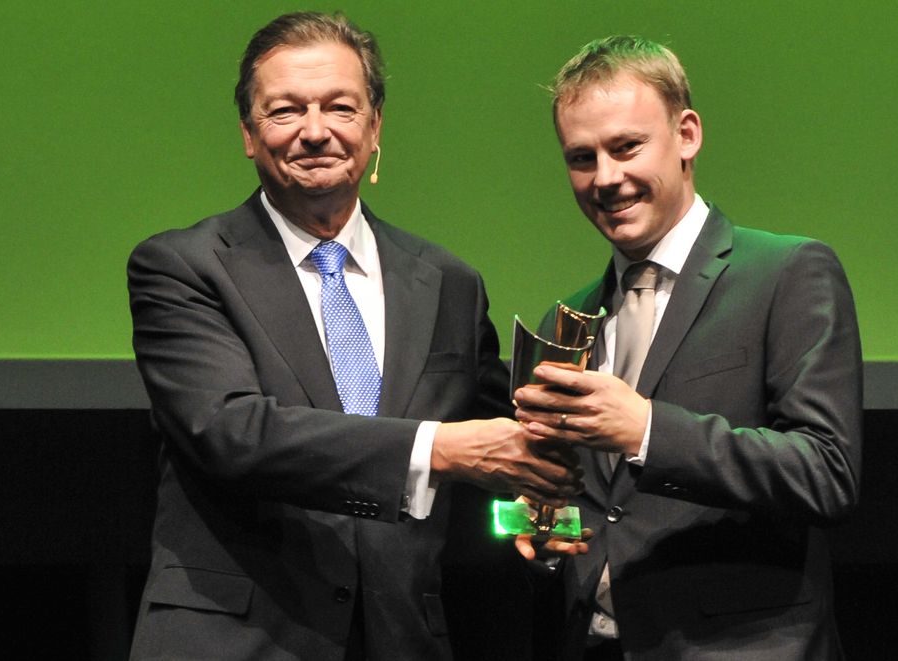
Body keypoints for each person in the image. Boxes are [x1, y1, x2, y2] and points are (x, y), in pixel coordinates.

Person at [127, 12, 580, 661]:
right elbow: (231, 432)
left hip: (403, 638)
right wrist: (440, 447)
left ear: (374, 130)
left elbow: (492, 453)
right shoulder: (183, 266)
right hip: (237, 638)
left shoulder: (450, 283)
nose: (316, 131)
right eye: (285, 111)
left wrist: (541, 501)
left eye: (340, 107)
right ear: (249, 135)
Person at [514, 36, 863, 660]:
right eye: (581, 157)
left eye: (626, 148)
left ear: (687, 135)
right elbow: (593, 504)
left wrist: (646, 429)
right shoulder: (573, 314)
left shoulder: (787, 273)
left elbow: (826, 472)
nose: (606, 178)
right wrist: (546, 525)